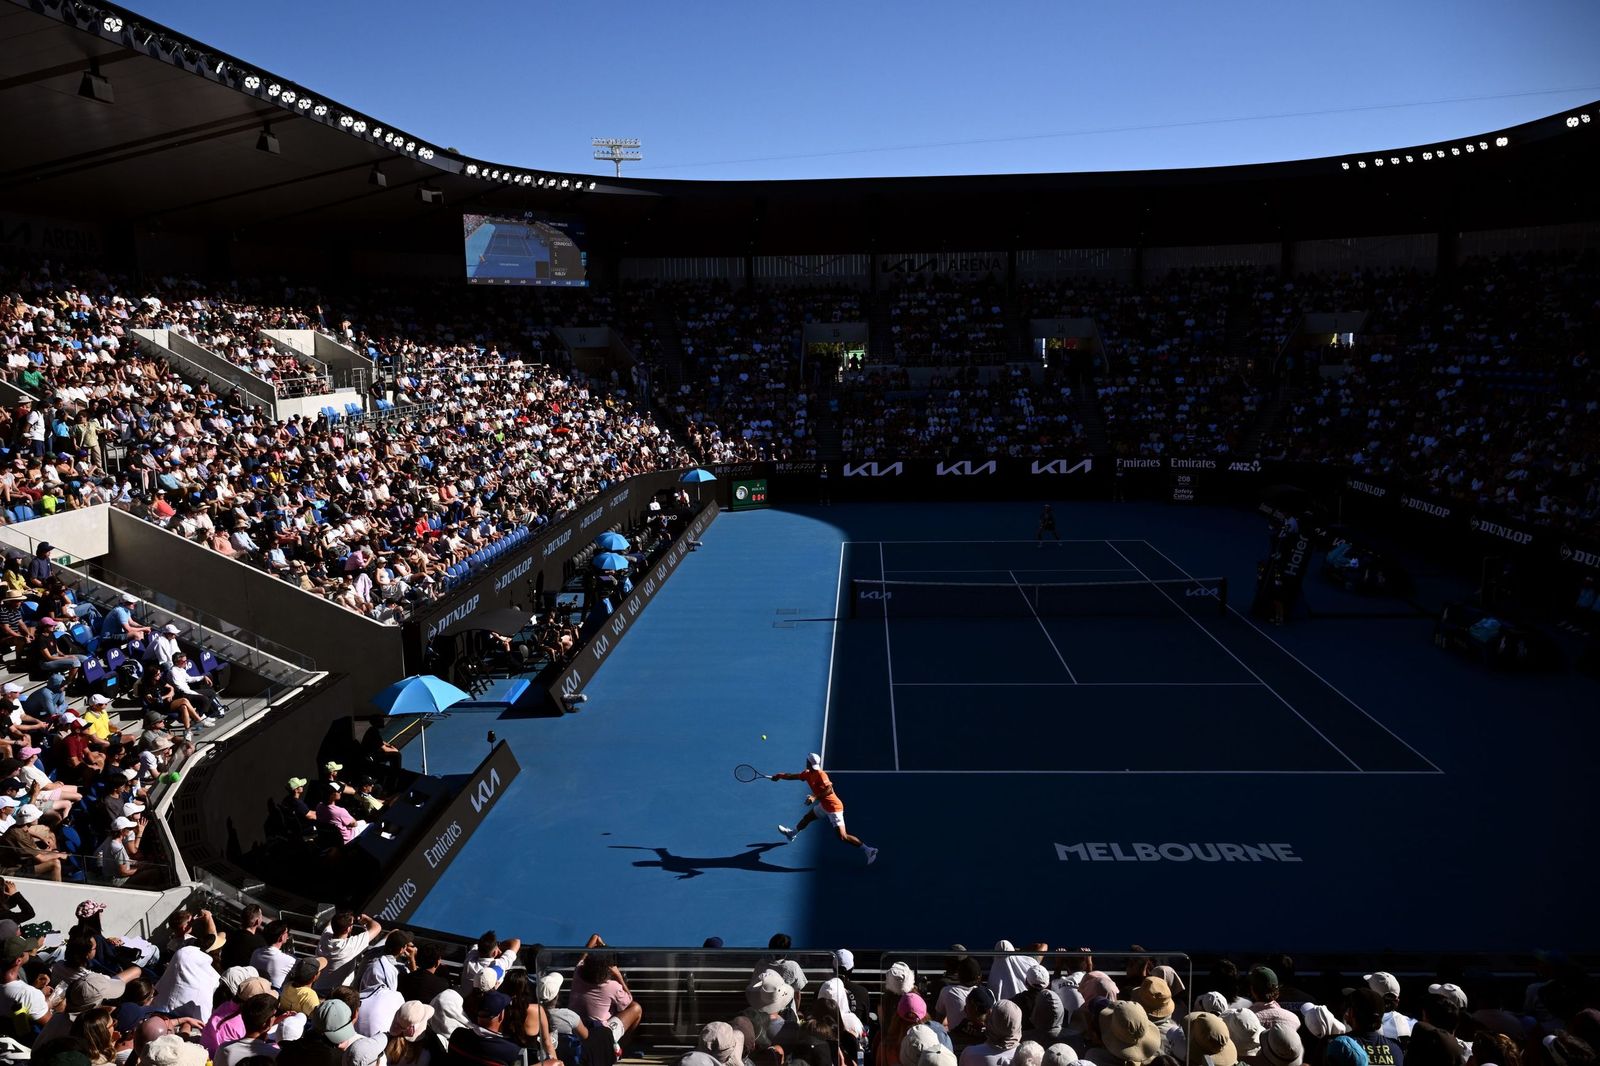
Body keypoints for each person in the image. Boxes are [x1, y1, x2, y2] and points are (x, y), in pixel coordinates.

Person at [772, 753, 877, 864]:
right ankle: (792, 833)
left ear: (808, 762)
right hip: (824, 805)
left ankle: (869, 850)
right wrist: (779, 775)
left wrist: (814, 797)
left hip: (834, 808)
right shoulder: (807, 774)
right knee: (807, 818)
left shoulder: (821, 775)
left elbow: (829, 790)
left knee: (842, 836)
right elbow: (792, 776)